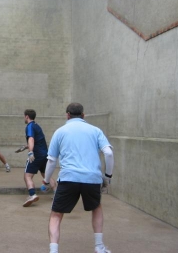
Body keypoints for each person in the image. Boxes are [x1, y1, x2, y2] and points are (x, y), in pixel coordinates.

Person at [43, 103, 114, 253]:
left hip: (68, 178)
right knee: (96, 208)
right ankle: (99, 247)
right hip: (92, 179)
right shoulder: (96, 131)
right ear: (83, 115)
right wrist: (107, 176)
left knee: (56, 214)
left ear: (67, 115)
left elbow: (51, 160)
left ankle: (53, 251)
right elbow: (108, 153)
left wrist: (46, 179)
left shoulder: (60, 132)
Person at [22, 109, 56, 207]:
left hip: (36, 155)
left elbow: (31, 139)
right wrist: (26, 146)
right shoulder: (37, 125)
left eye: (24, 116)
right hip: (45, 154)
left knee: (27, 176)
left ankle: (32, 195)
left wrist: (31, 152)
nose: (24, 118)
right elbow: (37, 141)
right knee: (46, 175)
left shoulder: (30, 126)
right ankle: (56, 194)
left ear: (27, 116)